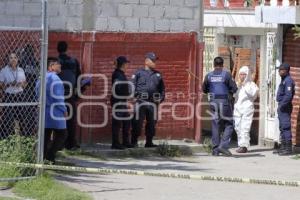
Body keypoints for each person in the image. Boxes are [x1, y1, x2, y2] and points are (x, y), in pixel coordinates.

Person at [202, 57, 238, 156]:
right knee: (229, 124)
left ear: (214, 65)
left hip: (213, 103)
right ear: (222, 65)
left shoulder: (208, 76)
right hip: (224, 102)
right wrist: (230, 92)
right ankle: (223, 146)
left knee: (215, 125)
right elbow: (234, 88)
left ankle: (215, 150)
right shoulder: (226, 75)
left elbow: (204, 89)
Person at [37, 57, 68, 163]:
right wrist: (64, 109)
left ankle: (42, 157)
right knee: (62, 134)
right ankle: (50, 155)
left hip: (44, 111)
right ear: (51, 66)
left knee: (45, 134)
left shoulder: (41, 78)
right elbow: (58, 98)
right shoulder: (56, 79)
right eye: (57, 64)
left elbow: (37, 92)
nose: (60, 66)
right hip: (55, 112)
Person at [131, 52, 165, 148]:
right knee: (137, 122)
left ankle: (149, 142)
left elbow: (162, 89)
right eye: (152, 60)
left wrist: (161, 99)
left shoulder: (158, 74)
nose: (155, 62)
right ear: (146, 61)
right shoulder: (138, 73)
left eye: (155, 60)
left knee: (152, 123)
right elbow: (132, 86)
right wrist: (135, 95)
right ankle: (134, 141)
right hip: (141, 102)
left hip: (153, 103)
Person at [57, 41, 81, 150]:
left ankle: (60, 143)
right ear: (66, 49)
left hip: (58, 95)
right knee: (71, 119)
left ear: (58, 49)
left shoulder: (55, 63)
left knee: (59, 119)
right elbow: (78, 78)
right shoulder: (74, 61)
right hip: (70, 94)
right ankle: (71, 143)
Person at [0, 52, 27, 138]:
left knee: (23, 118)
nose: (13, 59)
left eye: (15, 57)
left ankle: (24, 138)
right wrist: (9, 84)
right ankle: (8, 139)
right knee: (8, 119)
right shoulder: (4, 70)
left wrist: (21, 84)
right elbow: (1, 84)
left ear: (18, 59)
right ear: (8, 60)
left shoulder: (21, 70)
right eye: (11, 58)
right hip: (9, 95)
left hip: (20, 95)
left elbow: (25, 83)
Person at [233, 66, 259, 153]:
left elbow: (253, 95)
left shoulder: (252, 85)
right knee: (237, 127)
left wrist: (244, 85)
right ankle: (240, 144)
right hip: (237, 108)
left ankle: (244, 146)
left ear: (247, 75)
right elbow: (234, 95)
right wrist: (238, 86)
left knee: (245, 127)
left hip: (247, 109)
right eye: (240, 74)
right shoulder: (237, 84)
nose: (242, 76)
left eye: (244, 74)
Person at [111, 56, 134, 149]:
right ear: (123, 64)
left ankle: (126, 142)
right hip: (118, 101)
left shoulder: (121, 74)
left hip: (123, 101)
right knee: (117, 123)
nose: (127, 65)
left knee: (127, 122)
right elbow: (118, 87)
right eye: (126, 64)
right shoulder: (117, 74)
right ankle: (115, 143)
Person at [275, 63, 295, 156]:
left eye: (281, 70)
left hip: (285, 106)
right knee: (282, 127)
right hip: (282, 106)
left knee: (286, 127)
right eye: (279, 70)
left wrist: (282, 105)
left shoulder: (288, 80)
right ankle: (283, 147)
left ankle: (288, 148)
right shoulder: (284, 80)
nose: (279, 71)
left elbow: (288, 95)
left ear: (286, 70)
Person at [20, 44, 40, 136]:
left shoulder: (22, 61)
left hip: (23, 91)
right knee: (31, 113)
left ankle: (24, 133)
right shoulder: (35, 62)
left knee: (23, 113)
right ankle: (29, 133)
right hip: (33, 91)